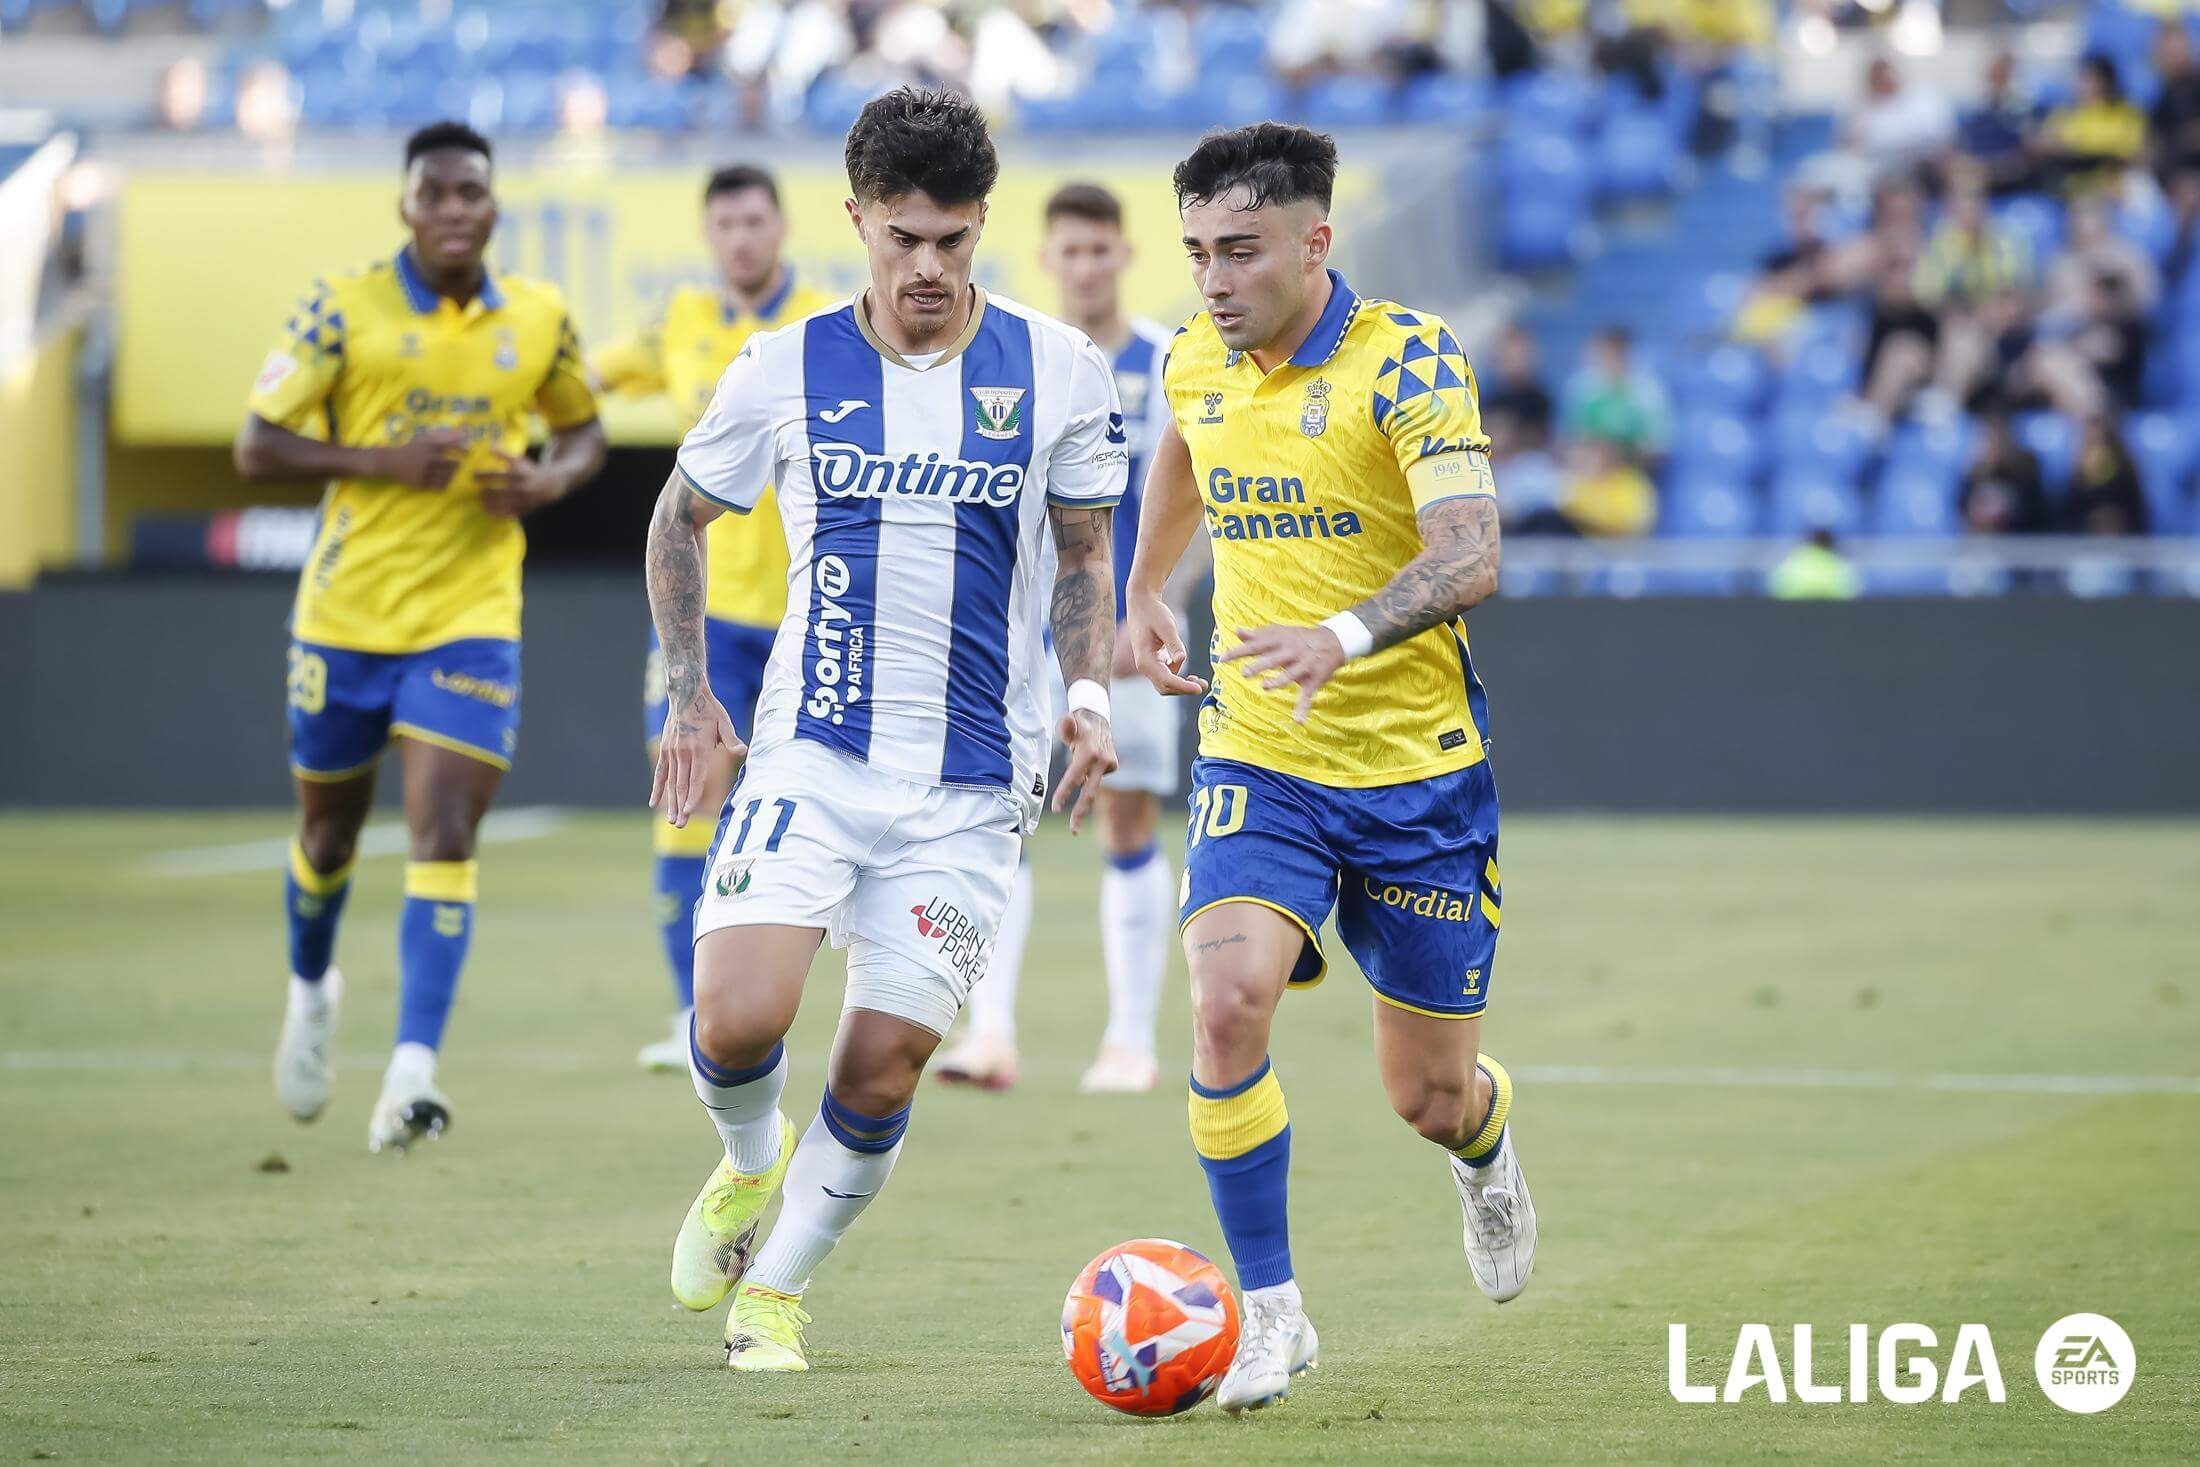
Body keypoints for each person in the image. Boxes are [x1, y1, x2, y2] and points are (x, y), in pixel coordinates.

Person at [645, 87, 1124, 1372]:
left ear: (983, 226)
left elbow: (1085, 555)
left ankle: (776, 1297)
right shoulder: (783, 366)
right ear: (856, 218)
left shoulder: (1060, 370)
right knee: (740, 1019)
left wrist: (1087, 697)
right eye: (903, 237)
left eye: (953, 240)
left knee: (883, 1063)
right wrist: (692, 691)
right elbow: (677, 518)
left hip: (973, 785)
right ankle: (750, 1166)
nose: (927, 267)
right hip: (810, 751)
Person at [1123, 123, 1535, 1415]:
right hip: (1262, 751)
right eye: (1196, 252)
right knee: (1227, 1000)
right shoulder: (1196, 353)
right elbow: (1185, 455)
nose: (1214, 279)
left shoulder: (1408, 355)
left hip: (1416, 773)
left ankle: (1485, 1141)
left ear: (1316, 240)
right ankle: (1274, 1313)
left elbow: (1473, 552)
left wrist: (1343, 634)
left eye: (1239, 249)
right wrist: (1145, 589)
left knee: (1429, 1093)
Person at [238, 122, 606, 1152]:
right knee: (329, 839)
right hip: (346, 617)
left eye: (471, 193)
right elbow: (256, 444)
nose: (453, 209)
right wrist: (381, 462)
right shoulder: (340, 307)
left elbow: (583, 429)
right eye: (434, 193)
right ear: (405, 207)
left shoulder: (536, 318)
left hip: (472, 616)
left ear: (493, 207)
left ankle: (410, 1077)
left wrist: (550, 479)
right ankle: (312, 990)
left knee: (445, 833)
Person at [934, 181, 1204, 1095]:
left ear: (1126, 256)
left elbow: (1198, 505)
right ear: (1046, 259)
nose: (1086, 265)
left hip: (1128, 637)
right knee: (997, 821)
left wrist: (1148, 607)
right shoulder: (1023, 358)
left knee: (1125, 820)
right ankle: (990, 1034)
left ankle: (1129, 1040)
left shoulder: (1171, 360)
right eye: (1070, 251)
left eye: (1101, 249)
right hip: (1017, 640)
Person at [592, 165, 836, 1072]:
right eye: (726, 223)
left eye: (755, 220)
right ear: (710, 235)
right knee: (686, 799)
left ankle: (831, 1003)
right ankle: (692, 1013)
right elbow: (579, 382)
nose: (741, 238)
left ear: (782, 226)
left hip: (815, 616)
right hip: (711, 618)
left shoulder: (826, 319)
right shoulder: (680, 326)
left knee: (823, 814)